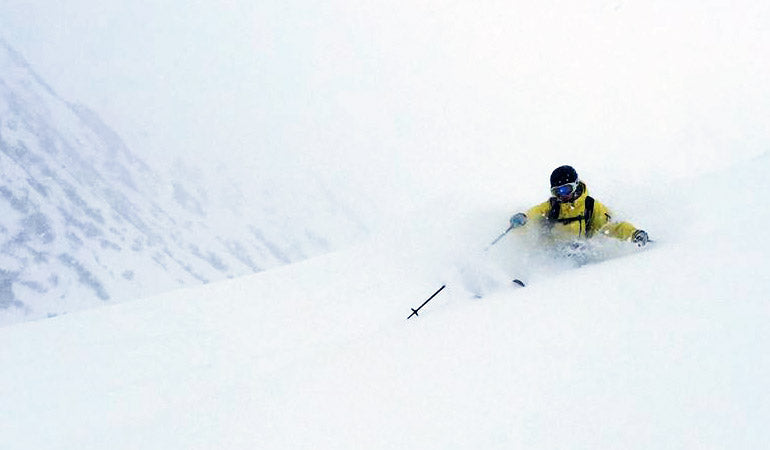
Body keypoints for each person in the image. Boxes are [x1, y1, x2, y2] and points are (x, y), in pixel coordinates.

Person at [509, 165, 648, 250]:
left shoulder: (591, 206)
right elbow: (534, 213)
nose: (562, 195)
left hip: (580, 255)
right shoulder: (552, 206)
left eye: (566, 189)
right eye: (557, 192)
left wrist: (633, 233)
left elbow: (611, 228)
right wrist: (523, 217)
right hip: (552, 253)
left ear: (575, 186)